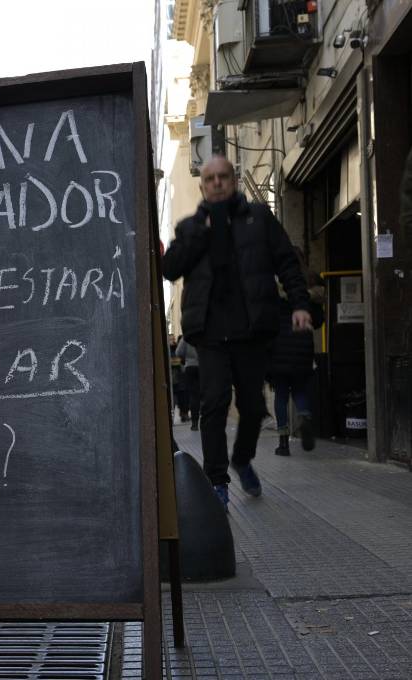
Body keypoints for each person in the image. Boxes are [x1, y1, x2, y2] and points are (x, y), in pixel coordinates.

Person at [162, 155, 311, 510]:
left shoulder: (258, 219)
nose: (216, 183)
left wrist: (301, 303)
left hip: (250, 330)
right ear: (202, 185)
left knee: (254, 406)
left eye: (223, 177)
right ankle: (218, 481)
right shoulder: (189, 227)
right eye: (210, 178)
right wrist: (200, 232)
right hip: (210, 334)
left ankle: (242, 459)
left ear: (233, 181)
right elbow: (170, 269)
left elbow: (286, 261)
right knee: (213, 403)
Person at [268, 247, 325, 456]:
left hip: (279, 348)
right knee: (299, 389)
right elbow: (318, 321)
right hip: (303, 346)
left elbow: (267, 318)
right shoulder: (310, 284)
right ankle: (305, 417)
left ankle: (283, 443)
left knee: (281, 394)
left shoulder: (275, 286)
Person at [175, 336, 201, 431]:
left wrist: (185, 358)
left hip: (190, 367)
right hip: (203, 367)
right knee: (205, 394)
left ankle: (194, 423)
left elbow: (178, 352)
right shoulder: (203, 333)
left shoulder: (186, 336)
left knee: (194, 396)